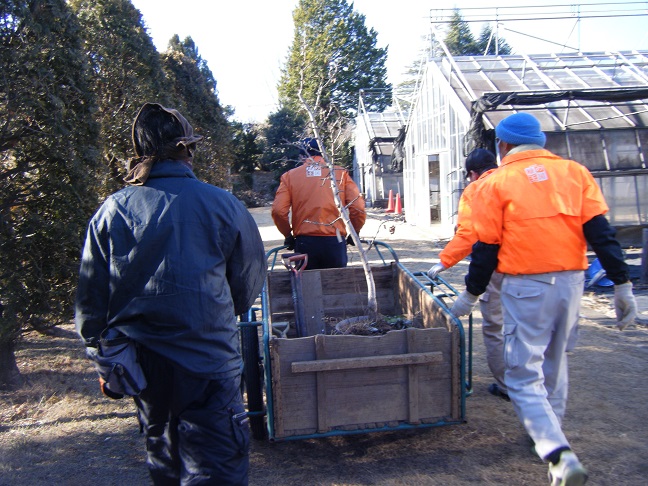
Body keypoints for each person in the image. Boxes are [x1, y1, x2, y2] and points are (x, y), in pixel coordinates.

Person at [75, 103, 266, 485]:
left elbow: (91, 305)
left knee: (165, 464)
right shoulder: (223, 204)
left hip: (145, 369)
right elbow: (246, 284)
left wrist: (105, 359)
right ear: (187, 150)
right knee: (217, 468)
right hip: (209, 359)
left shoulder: (112, 210)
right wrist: (211, 313)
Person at [450, 112, 637, 486]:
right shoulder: (576, 173)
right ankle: (547, 431)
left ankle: (557, 452)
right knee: (556, 358)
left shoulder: (495, 183)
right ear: (541, 142)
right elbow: (601, 232)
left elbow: (487, 247)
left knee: (521, 373)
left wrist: (470, 295)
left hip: (526, 284)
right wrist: (621, 284)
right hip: (571, 281)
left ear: (502, 146)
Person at [427, 148, 509, 401]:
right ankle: (538, 382)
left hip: (498, 267)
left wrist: (444, 261)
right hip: (538, 266)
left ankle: (508, 385)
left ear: (472, 174)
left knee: (496, 327)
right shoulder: (514, 179)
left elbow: (469, 234)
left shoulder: (477, 189)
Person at [271, 138, 366, 269]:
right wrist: (354, 231)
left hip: (305, 242)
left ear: (301, 156)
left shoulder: (290, 177)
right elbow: (358, 207)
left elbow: (278, 211)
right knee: (336, 285)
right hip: (335, 240)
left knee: (307, 286)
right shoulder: (339, 173)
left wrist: (288, 234)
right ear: (323, 153)